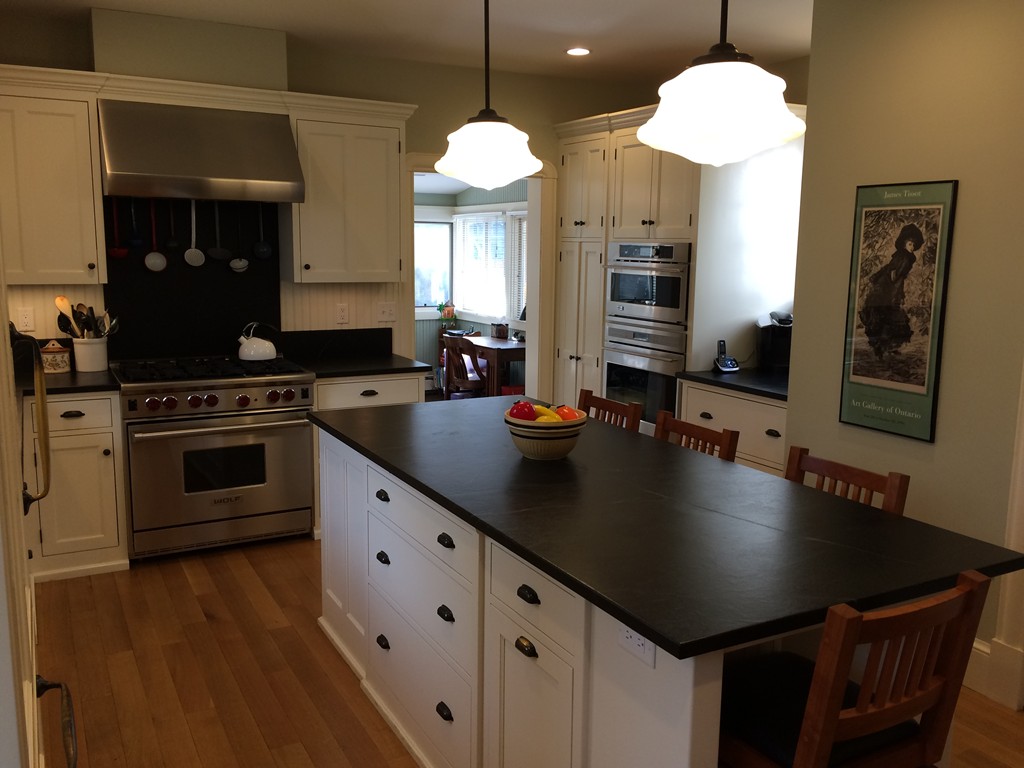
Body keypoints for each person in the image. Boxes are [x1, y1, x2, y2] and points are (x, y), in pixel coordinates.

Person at [859, 222, 924, 359]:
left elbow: (896, 274)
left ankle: (886, 347)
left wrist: (894, 282)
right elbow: (892, 271)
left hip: (892, 287)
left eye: (913, 244)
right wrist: (881, 277)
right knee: (883, 315)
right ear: (904, 244)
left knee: (890, 316)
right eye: (909, 244)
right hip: (886, 287)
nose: (912, 247)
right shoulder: (903, 256)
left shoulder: (907, 257)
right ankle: (880, 348)